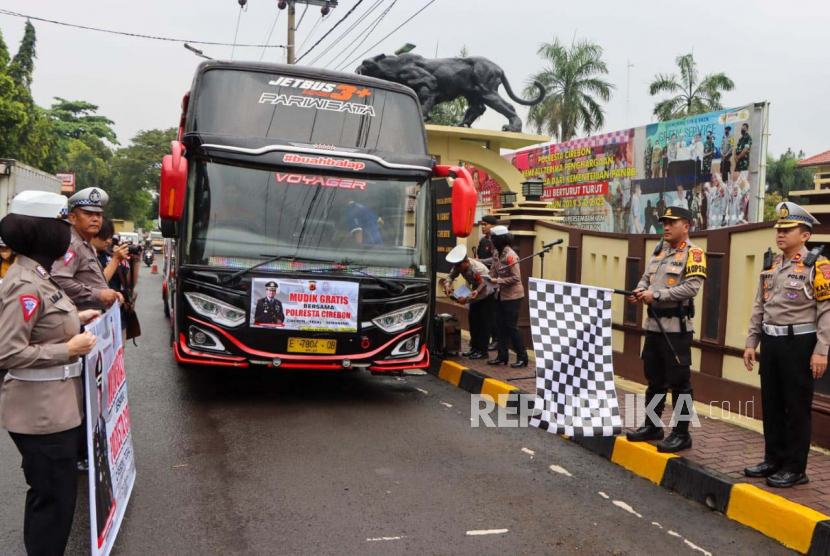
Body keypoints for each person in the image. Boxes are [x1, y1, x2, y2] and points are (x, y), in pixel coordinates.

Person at [0, 190, 100, 555]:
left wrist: (80, 320)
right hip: (40, 415)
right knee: (52, 505)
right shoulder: (24, 283)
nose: (65, 232)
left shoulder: (39, 275)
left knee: (54, 501)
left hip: (55, 408)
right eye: (59, 224)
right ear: (41, 231)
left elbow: (46, 322)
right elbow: (7, 351)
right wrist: (67, 349)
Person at [743, 203, 828, 488]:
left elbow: (827, 310)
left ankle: (795, 467)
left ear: (804, 235)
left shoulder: (818, 265)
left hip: (799, 345)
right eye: (778, 229)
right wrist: (751, 342)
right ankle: (773, 459)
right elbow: (760, 306)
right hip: (772, 342)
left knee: (796, 406)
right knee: (772, 403)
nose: (780, 234)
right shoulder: (772, 265)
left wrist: (821, 350)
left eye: (787, 229)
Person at [627, 206, 707, 453]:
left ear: (687, 226)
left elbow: (692, 288)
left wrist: (656, 295)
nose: (667, 226)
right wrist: (640, 291)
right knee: (654, 380)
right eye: (664, 222)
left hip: (676, 329)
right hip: (653, 326)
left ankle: (682, 434)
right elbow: (646, 278)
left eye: (673, 222)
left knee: (680, 383)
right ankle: (653, 425)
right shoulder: (659, 250)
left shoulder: (694, 254)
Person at [53, 187, 123, 311]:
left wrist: (108, 293)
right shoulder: (72, 244)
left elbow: (89, 279)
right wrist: (99, 294)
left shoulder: (85, 243)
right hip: (78, 319)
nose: (95, 219)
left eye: (99, 215)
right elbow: (58, 280)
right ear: (73, 218)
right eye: (88, 214)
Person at [441, 245, 495, 359]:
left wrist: (467, 299)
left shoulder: (477, 269)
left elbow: (483, 289)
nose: (457, 269)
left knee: (483, 324)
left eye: (459, 266)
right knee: (473, 322)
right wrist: (447, 285)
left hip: (487, 296)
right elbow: (451, 275)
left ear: (466, 262)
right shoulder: (459, 266)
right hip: (475, 295)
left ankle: (483, 351)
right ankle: (474, 348)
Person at [487, 226, 528, 368]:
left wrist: (497, 281)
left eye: (493, 238)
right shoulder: (497, 254)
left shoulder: (511, 255)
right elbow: (492, 273)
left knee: (511, 327)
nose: (491, 241)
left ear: (499, 239)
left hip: (513, 296)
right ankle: (502, 356)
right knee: (500, 327)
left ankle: (522, 357)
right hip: (500, 295)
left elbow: (516, 278)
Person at [91, 218, 136, 338]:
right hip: (94, 318)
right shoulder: (86, 256)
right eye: (104, 237)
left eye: (110, 237)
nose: (108, 241)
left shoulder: (111, 254)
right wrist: (116, 259)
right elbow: (98, 282)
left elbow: (130, 283)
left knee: (118, 355)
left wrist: (135, 261)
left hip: (117, 316)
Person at [477, 214, 499, 350]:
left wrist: (480, 262)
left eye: (486, 225)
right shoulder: (483, 241)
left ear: (493, 226)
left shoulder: (497, 241)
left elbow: (495, 260)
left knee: (493, 311)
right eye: (482, 225)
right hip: (482, 279)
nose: (483, 227)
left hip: (493, 279)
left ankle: (496, 338)